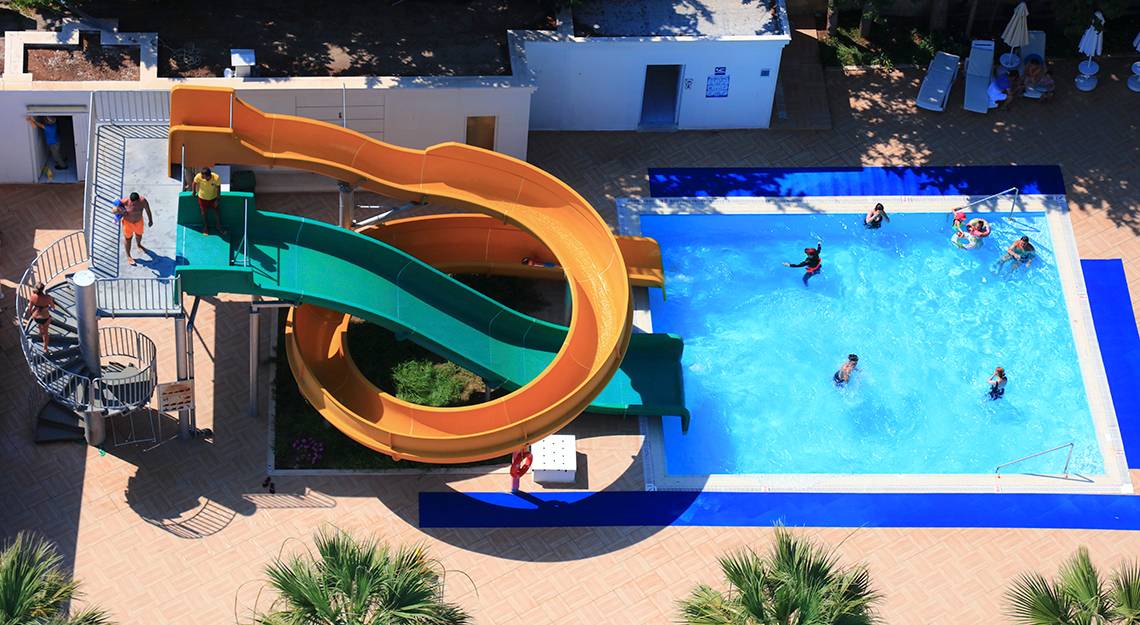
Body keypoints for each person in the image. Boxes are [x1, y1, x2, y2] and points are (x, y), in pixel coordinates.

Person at [112, 192, 154, 266]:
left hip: (139, 222)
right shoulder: (125, 201)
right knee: (128, 239)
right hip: (128, 223)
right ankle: (129, 256)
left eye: (133, 202)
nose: (131, 203)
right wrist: (121, 211)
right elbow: (114, 209)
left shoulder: (143, 201)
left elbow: (148, 210)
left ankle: (139, 245)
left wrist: (150, 220)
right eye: (131, 201)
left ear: (138, 200)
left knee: (139, 235)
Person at [192, 167, 226, 236]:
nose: (201, 177)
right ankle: (205, 228)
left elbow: (218, 188)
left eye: (203, 176)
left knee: (217, 213)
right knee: (203, 213)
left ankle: (218, 227)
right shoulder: (199, 176)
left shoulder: (216, 178)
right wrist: (193, 192)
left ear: (208, 176)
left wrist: (217, 199)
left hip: (213, 198)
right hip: (202, 198)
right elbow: (194, 183)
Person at [24, 282, 55, 350]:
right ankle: (45, 348)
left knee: (39, 324)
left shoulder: (32, 296)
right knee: (46, 334)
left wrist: (32, 313)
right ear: (43, 289)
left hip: (35, 316)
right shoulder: (48, 297)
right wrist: (47, 306)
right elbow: (53, 307)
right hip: (45, 317)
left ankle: (40, 333)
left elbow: (30, 308)